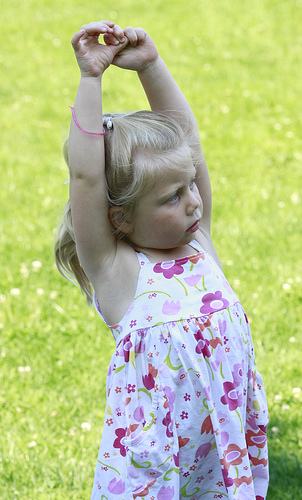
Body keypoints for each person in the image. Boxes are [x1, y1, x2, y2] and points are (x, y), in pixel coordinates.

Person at [55, 20, 269, 500]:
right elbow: (87, 178)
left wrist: (150, 66)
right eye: (172, 197)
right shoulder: (116, 272)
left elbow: (187, 139)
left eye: (191, 184)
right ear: (121, 218)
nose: (194, 201)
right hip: (155, 468)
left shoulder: (199, 244)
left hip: (219, 457)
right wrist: (91, 79)